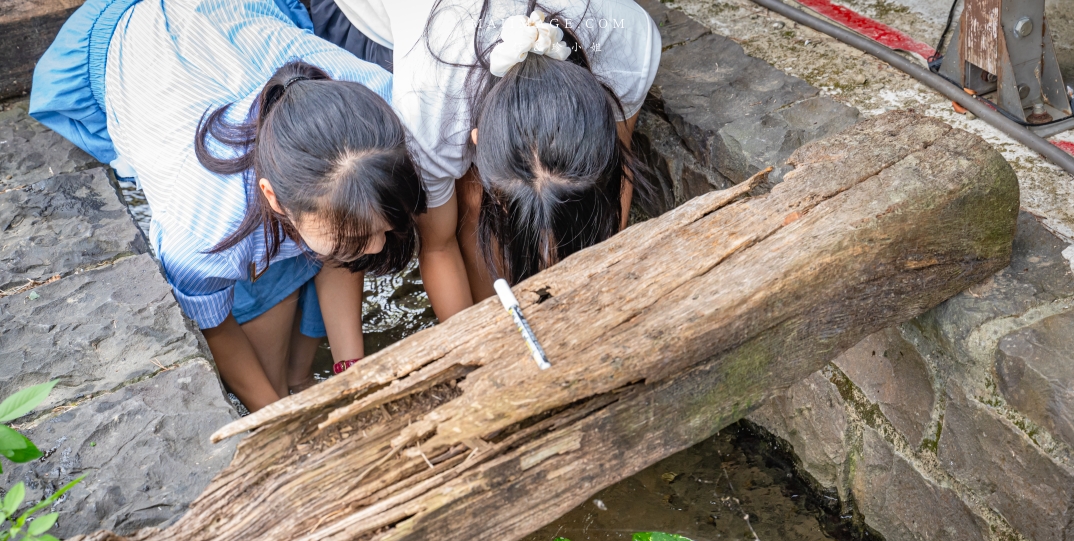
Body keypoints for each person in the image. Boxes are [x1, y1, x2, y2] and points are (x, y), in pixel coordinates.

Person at [31, 0, 429, 412]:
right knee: (264, 333)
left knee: (329, 246)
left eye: (381, 229)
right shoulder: (204, 227)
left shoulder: (379, 113)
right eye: (360, 235)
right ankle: (288, 383)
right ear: (272, 196)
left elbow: (348, 247)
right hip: (136, 42)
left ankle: (301, 376)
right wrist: (277, 417)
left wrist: (354, 369)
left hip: (237, 13)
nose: (381, 247)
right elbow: (215, 328)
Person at [310, 0, 660, 295]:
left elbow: (614, 178)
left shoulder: (627, 42)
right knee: (470, 201)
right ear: (476, 141)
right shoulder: (425, 111)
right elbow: (439, 246)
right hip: (366, 16)